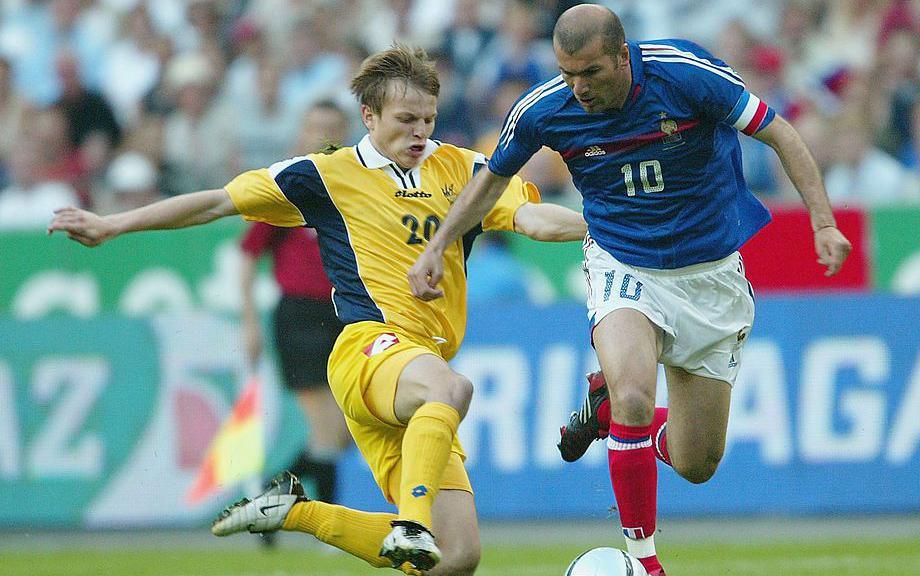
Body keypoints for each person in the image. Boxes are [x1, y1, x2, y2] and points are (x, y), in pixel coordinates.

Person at [50, 45, 585, 575]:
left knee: (459, 555)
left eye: (428, 119)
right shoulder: (325, 174)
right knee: (452, 389)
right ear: (369, 116)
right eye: (405, 120)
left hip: (417, 376)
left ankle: (298, 513)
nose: (419, 132)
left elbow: (535, 220)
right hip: (365, 349)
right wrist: (113, 224)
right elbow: (216, 201)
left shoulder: (469, 170)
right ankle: (411, 523)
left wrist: (606, 230)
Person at [407, 6, 852, 576]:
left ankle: (608, 410)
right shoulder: (546, 109)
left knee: (697, 462)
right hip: (623, 262)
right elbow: (489, 180)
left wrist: (821, 220)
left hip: (709, 273)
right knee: (637, 396)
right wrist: (438, 246)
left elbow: (780, 132)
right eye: (568, 74)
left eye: (590, 73)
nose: (579, 88)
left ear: (623, 56)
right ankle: (645, 562)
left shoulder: (685, 75)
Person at [238, 100, 354, 541]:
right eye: (314, 127)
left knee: (340, 435)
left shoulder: (351, 185)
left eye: (331, 128)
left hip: (343, 313)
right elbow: (249, 255)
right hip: (299, 314)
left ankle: (268, 501)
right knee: (327, 430)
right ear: (301, 133)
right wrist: (248, 321)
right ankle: (331, 530)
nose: (322, 136)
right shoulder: (286, 186)